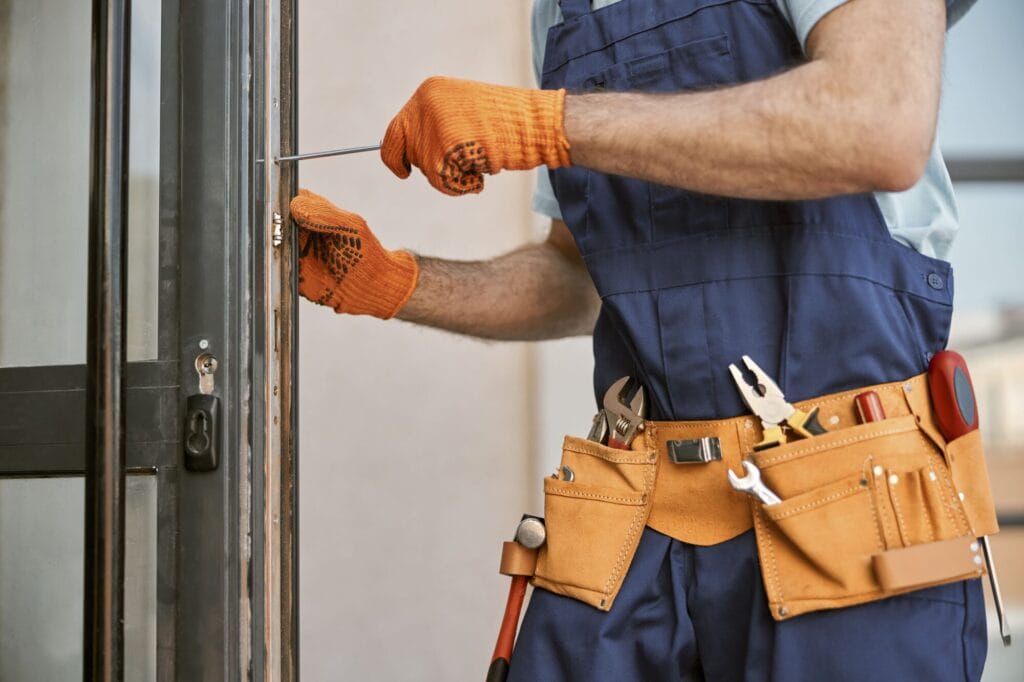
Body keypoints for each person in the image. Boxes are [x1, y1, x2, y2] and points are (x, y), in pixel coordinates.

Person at [291, 0, 992, 679]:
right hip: (643, 513)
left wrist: (553, 124)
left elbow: (877, 121)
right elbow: (579, 273)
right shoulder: (565, 14)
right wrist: (398, 284)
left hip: (851, 509)